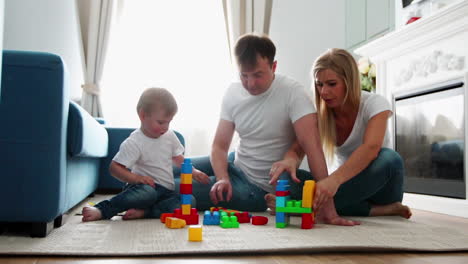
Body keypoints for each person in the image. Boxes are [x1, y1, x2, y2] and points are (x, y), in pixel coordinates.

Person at [190, 34, 357, 225]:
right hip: (234, 162)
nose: (250, 83)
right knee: (176, 165)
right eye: (244, 75)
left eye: (258, 75)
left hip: (255, 187)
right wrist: (222, 178)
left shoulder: (293, 93)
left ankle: (150, 193)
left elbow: (313, 148)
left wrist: (330, 212)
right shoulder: (232, 92)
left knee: (173, 187)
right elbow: (219, 146)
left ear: (274, 67)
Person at [269, 48, 412, 219]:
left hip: (379, 186)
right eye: (319, 84)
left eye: (331, 84)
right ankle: (375, 210)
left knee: (390, 159)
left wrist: (333, 181)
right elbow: (298, 148)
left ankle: (301, 207)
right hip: (346, 187)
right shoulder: (320, 114)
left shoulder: (375, 103)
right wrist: (290, 160)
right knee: (286, 175)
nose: (323, 92)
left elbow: (371, 148)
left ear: (349, 81)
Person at [82, 88, 210, 222]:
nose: (166, 127)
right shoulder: (135, 141)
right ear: (142, 115)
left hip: (166, 192)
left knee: (188, 202)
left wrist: (194, 171)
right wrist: (136, 178)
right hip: (143, 189)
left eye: (169, 122)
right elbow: (114, 168)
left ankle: (146, 212)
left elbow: (179, 159)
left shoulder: (169, 136)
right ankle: (102, 209)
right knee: (147, 194)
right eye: (161, 122)